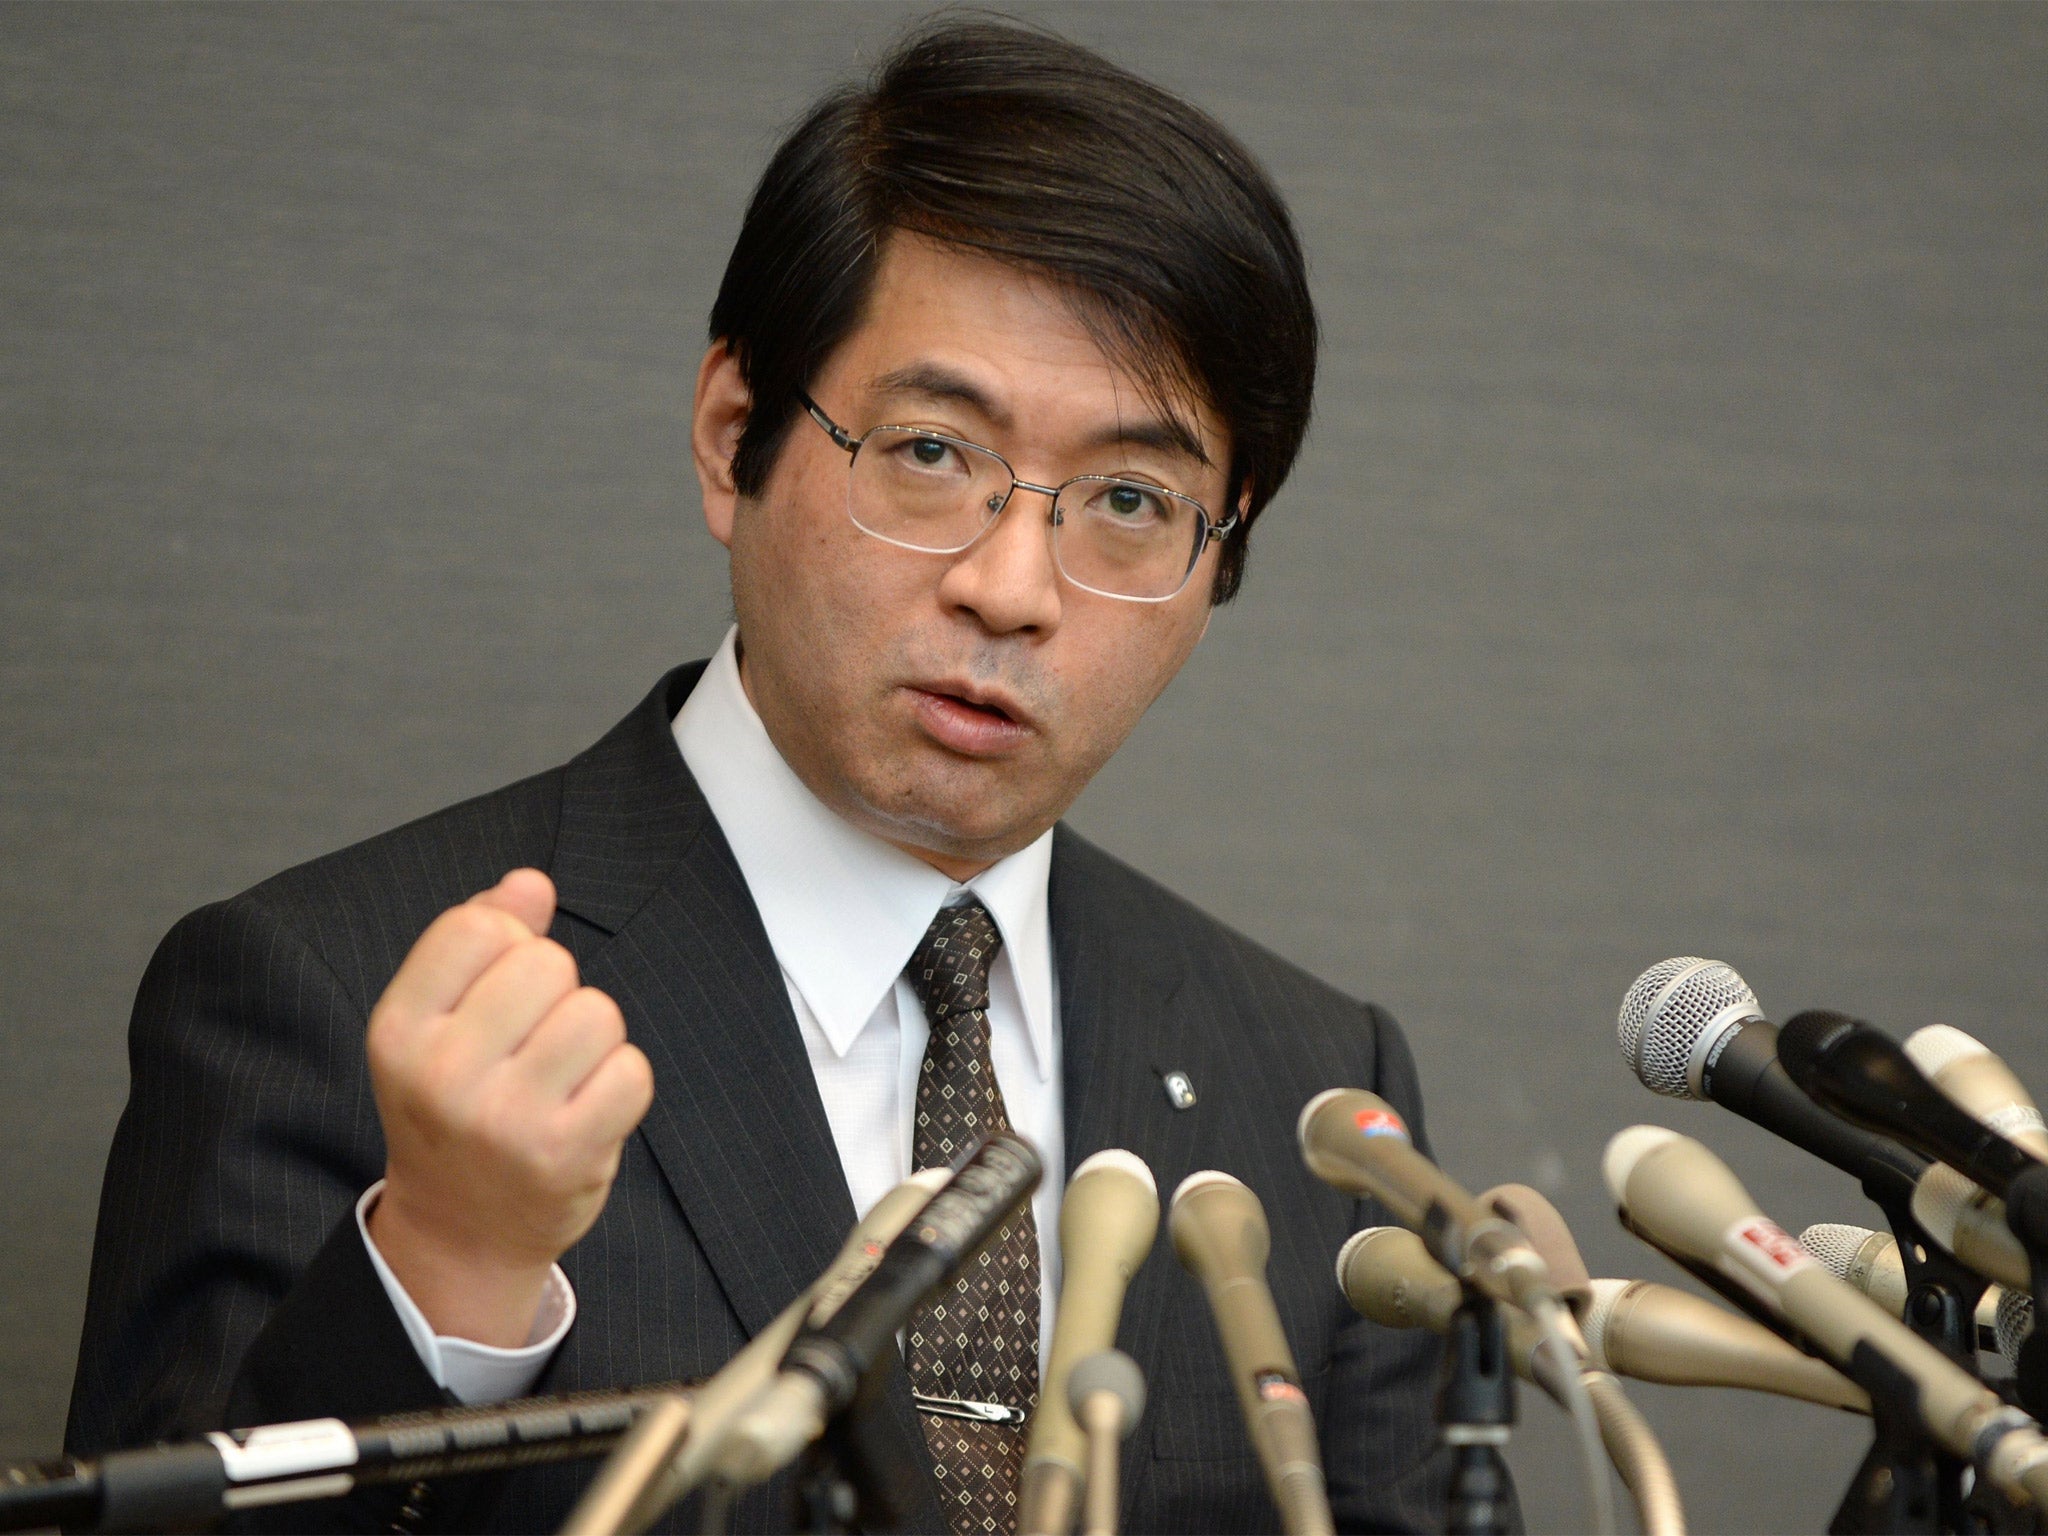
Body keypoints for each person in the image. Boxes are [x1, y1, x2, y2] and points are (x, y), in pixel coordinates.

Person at [67, 18, 1473, 1534]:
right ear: (733, 434)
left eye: (1130, 499)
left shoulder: (1320, 1091)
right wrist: (445, 1267)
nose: (1014, 588)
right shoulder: (330, 994)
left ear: (1223, 551)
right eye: (932, 454)